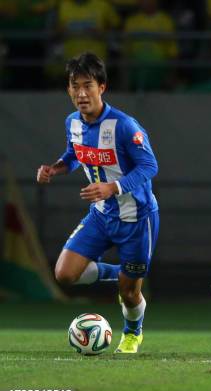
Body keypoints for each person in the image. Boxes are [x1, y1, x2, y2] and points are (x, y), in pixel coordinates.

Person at [36, 52, 159, 353]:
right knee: (64, 273)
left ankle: (132, 333)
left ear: (102, 87)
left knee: (130, 295)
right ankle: (118, 272)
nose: (81, 93)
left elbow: (149, 166)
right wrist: (55, 168)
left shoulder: (125, 125)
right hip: (101, 215)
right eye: (74, 86)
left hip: (136, 218)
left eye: (87, 85)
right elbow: (74, 155)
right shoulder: (73, 123)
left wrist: (112, 187)